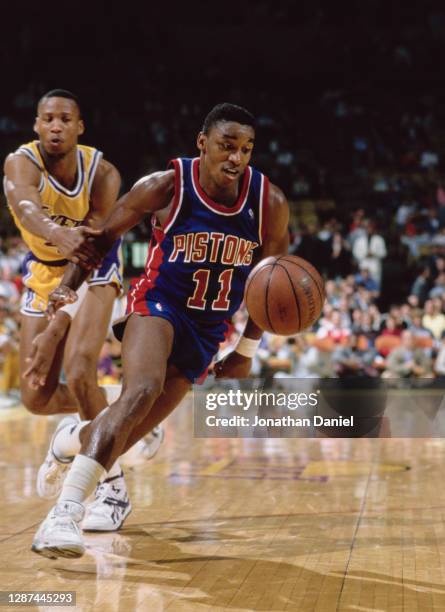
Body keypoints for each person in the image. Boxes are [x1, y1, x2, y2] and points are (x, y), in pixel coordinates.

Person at [27, 102, 290, 559]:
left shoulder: (269, 202)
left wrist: (246, 349)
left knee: (125, 436)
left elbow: (270, 280)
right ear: (202, 143)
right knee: (140, 390)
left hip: (208, 330)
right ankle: (64, 513)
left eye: (246, 149)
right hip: (158, 304)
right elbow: (104, 235)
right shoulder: (168, 185)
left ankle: (69, 439)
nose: (237, 158)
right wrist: (68, 286)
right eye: (228, 146)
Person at [3, 89, 162, 533]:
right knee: (34, 396)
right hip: (43, 269)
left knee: (78, 368)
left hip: (92, 269)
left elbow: (88, 252)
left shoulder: (104, 174)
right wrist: (58, 232)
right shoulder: (20, 162)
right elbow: (26, 206)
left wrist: (56, 328)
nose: (55, 126)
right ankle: (127, 412)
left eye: (64, 119)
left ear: (79, 127)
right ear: (37, 125)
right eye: (48, 118)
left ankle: (112, 489)